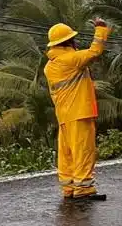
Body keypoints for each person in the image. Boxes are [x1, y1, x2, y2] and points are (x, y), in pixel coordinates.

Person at [44, 19, 111, 200]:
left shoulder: (49, 66)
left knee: (67, 153)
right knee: (83, 150)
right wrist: (101, 29)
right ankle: (83, 189)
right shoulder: (71, 59)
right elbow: (95, 51)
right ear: (68, 42)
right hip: (80, 112)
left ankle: (69, 188)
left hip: (63, 115)